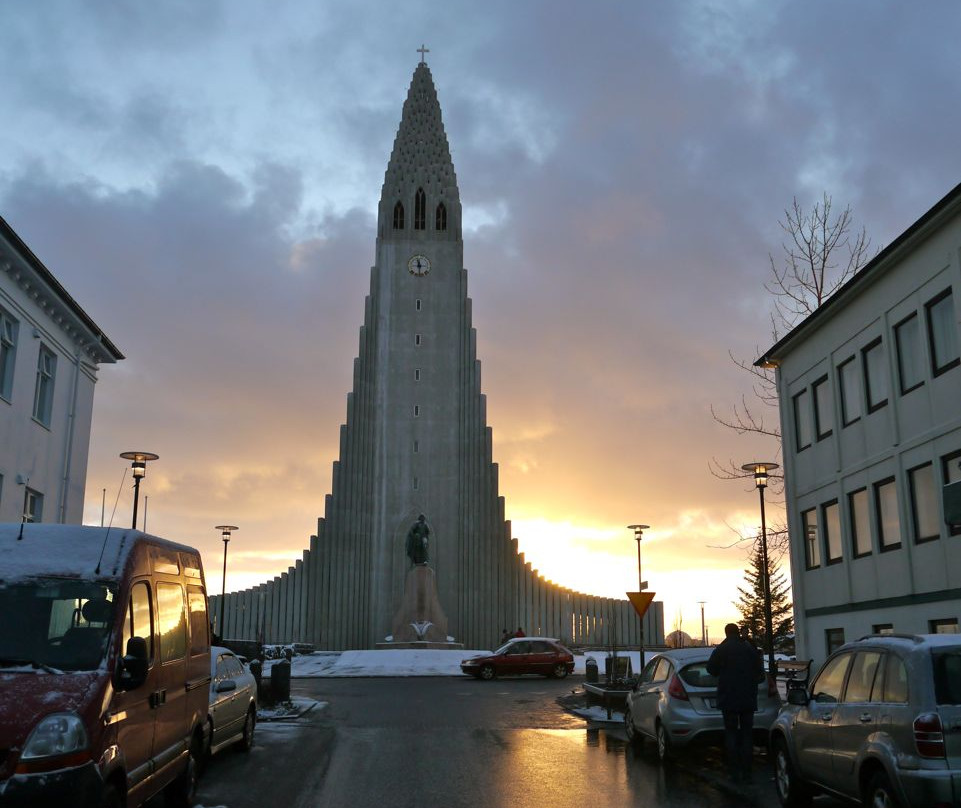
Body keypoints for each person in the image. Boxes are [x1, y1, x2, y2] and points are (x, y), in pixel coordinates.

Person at [707, 623, 764, 783]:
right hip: (747, 697)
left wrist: (722, 671)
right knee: (747, 733)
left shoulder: (722, 649)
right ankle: (747, 771)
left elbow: (711, 669)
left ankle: (733, 771)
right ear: (738, 632)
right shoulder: (748, 649)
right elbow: (759, 669)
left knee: (731, 732)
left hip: (728, 697)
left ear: (726, 633)